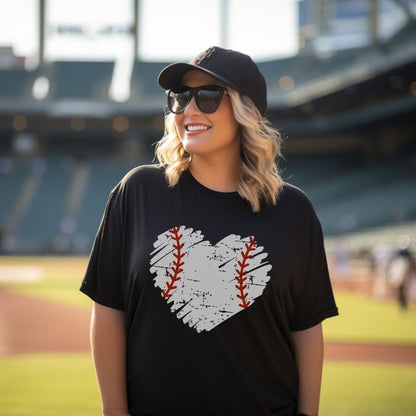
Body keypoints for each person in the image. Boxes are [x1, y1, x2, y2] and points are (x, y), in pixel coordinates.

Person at [80, 46, 338, 416]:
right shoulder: (137, 192)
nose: (190, 109)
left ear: (245, 111)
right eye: (181, 97)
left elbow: (306, 327)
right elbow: (108, 309)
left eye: (209, 97)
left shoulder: (293, 211)